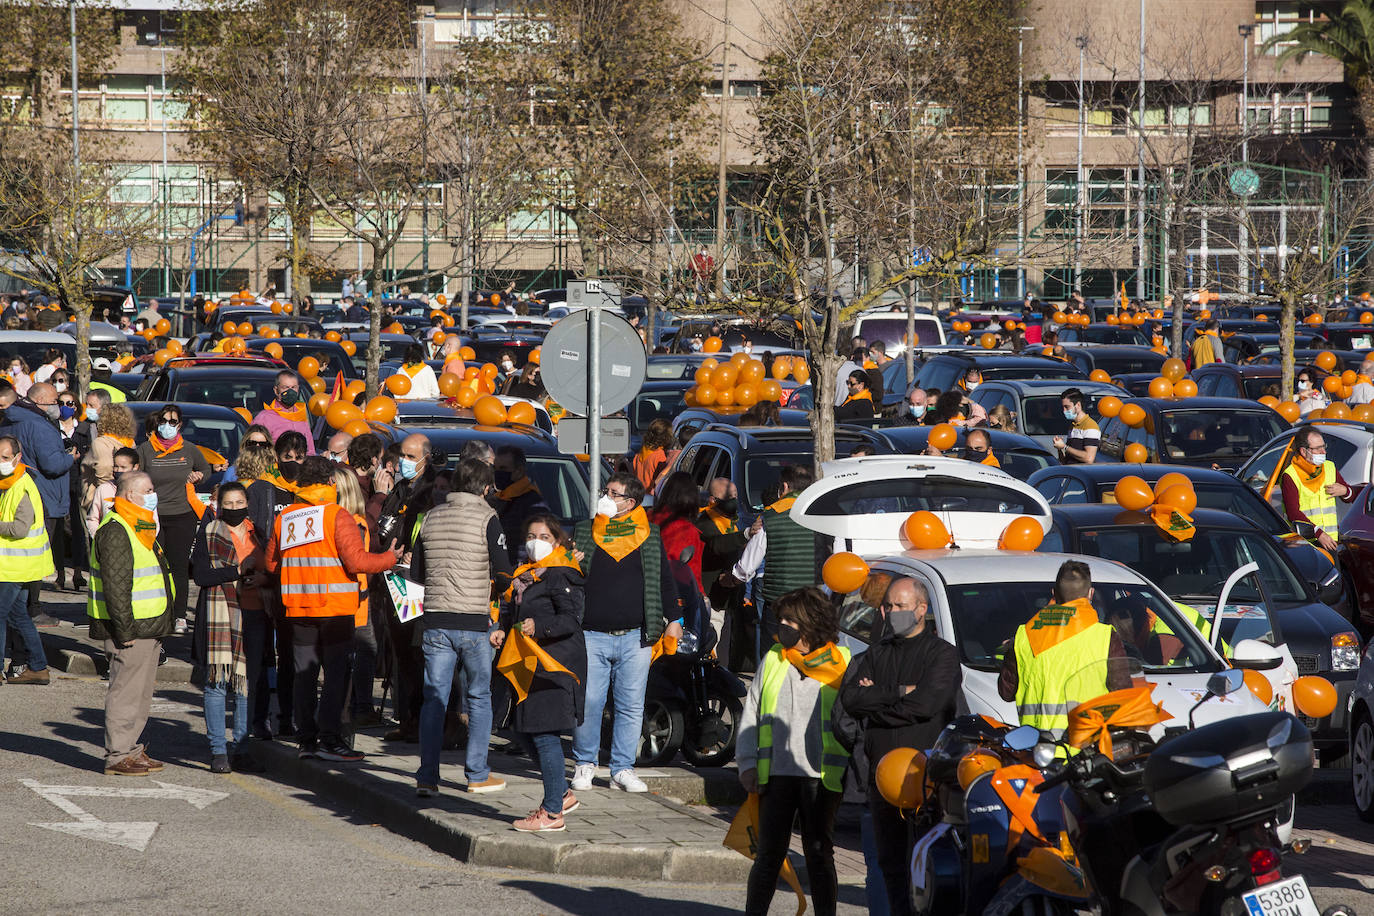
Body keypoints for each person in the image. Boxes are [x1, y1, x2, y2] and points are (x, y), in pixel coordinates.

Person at [839, 577, 960, 916]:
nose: (892, 612)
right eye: (888, 606)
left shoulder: (942, 655)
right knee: (890, 866)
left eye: (901, 606)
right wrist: (900, 691)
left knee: (926, 868)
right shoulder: (876, 653)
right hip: (881, 781)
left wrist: (877, 701)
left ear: (922, 610)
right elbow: (851, 700)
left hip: (926, 782)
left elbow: (927, 704)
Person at [265, 457, 396, 761]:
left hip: (298, 608)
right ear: (331, 483)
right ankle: (331, 739)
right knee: (336, 675)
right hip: (335, 610)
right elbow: (358, 563)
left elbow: (270, 563)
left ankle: (306, 741)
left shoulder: (286, 517)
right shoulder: (337, 516)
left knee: (303, 676)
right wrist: (390, 557)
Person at [738, 586, 851, 916]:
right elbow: (753, 711)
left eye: (790, 619)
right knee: (769, 856)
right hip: (777, 773)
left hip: (822, 776)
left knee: (819, 853)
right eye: (781, 619)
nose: (782, 625)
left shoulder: (842, 661)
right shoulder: (774, 657)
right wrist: (746, 763)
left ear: (811, 622)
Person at [569, 472, 680, 794]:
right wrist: (571, 561)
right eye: (606, 491)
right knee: (589, 701)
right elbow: (569, 576)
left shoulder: (649, 533)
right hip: (591, 633)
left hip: (636, 635)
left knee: (631, 705)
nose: (605, 497)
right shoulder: (585, 530)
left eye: (613, 493)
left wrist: (675, 617)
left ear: (630, 503)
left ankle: (621, 769)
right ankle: (585, 763)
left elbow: (664, 578)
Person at [411, 457, 514, 795]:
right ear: (486, 487)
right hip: (473, 622)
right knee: (479, 697)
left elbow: (415, 574)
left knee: (434, 699)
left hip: (436, 619)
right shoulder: (489, 518)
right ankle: (477, 773)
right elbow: (502, 573)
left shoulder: (430, 517)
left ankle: (427, 777)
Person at [497, 513, 587, 831]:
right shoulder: (527, 575)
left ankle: (551, 813)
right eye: (531, 536)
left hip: (555, 665)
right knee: (522, 730)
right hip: (529, 664)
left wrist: (540, 627)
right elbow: (516, 613)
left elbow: (571, 619)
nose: (536, 542)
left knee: (546, 734)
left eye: (545, 537)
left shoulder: (562, 574)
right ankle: (561, 795)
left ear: (558, 542)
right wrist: (502, 629)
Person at [89, 471, 174, 775]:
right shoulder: (116, 530)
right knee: (125, 691)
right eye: (147, 490)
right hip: (131, 629)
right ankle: (118, 755)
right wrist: (124, 630)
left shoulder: (141, 526)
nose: (153, 494)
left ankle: (131, 749)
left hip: (148, 625)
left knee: (140, 693)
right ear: (128, 496)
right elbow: (116, 585)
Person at [997, 560, 1131, 737]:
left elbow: (1006, 692)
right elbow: (1123, 694)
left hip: (1036, 749)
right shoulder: (1105, 637)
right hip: (1087, 751)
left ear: (1054, 594)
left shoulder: (1024, 635)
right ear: (1091, 594)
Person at [191, 483, 268, 775]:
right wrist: (237, 571)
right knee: (217, 685)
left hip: (255, 612)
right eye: (229, 503)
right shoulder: (209, 533)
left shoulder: (258, 533)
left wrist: (260, 578)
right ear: (219, 506)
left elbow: (271, 569)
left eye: (239, 502)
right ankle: (218, 751)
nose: (234, 508)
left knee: (246, 686)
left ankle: (243, 749)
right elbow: (200, 575)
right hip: (219, 616)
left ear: (247, 503)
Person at [722, 465, 826, 661]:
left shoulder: (770, 517)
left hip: (780, 603)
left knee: (774, 658)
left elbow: (747, 567)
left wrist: (729, 579)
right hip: (813, 601)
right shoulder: (822, 515)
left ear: (784, 487)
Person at [375, 433, 440, 742]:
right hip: (394, 579)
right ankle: (408, 720)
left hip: (420, 584)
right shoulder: (399, 489)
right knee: (402, 654)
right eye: (403, 455)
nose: (405, 462)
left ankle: (424, 722)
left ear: (426, 460)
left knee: (420, 655)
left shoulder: (433, 492)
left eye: (412, 457)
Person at [0, 379, 74, 631]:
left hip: (16, 491)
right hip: (43, 497)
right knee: (35, 557)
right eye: (55, 401)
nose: (58, 406)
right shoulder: (39, 425)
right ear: (41, 401)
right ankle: (31, 609)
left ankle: (21, 607)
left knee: (17, 554)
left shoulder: (12, 420)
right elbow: (52, 466)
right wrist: (70, 457)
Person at [136, 404, 210, 635]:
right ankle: (159, 611)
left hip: (182, 516)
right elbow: (136, 476)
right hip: (153, 516)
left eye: (172, 421)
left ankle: (179, 615)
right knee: (156, 567)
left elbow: (206, 470)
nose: (167, 426)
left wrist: (198, 476)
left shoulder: (189, 449)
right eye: (163, 421)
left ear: (179, 425)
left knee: (178, 567)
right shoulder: (146, 450)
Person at [0, 436, 54, 684]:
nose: (0, 461)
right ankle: (38, 667)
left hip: (16, 566)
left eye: (5, 457)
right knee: (17, 615)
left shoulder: (21, 486)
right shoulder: (10, 483)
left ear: (17, 458)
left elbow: (20, 528)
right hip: (17, 564)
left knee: (3, 613)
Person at [696, 477, 748, 669]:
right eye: (728, 497)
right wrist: (745, 536)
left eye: (735, 496)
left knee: (725, 646)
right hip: (711, 596)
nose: (733, 500)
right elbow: (716, 545)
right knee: (713, 648)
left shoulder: (730, 520)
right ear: (712, 501)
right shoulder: (703, 522)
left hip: (728, 597)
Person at [1280, 428, 1355, 553]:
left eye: (1324, 446)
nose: (1323, 451)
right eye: (1318, 448)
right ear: (1304, 451)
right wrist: (1318, 533)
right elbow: (1293, 513)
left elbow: (1350, 496)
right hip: (1305, 544)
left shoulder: (1329, 467)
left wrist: (1346, 491)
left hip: (1330, 542)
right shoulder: (1290, 475)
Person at [650, 471, 706, 593]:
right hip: (675, 594)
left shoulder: (648, 517)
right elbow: (691, 572)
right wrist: (701, 596)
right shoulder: (687, 530)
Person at [493, 445, 547, 563]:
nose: (497, 473)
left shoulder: (533, 503)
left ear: (519, 471)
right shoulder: (497, 498)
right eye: (495, 468)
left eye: (503, 468)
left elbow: (534, 542)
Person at [251, 370, 315, 453]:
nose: (290, 391)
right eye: (285, 387)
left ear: (298, 389)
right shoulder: (264, 418)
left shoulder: (301, 415)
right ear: (276, 390)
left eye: (293, 387)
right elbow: (254, 451)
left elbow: (310, 451)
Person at [86, 447, 139, 539]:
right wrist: (98, 538)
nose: (118, 470)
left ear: (135, 467)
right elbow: (92, 519)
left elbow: (152, 521)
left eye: (123, 467)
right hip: (108, 545)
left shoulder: (144, 490)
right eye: (116, 466)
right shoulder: (103, 489)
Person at [1053, 388, 1099, 465]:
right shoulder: (1073, 426)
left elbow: (1089, 458)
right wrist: (1059, 448)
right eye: (1063, 407)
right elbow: (1066, 459)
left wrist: (1064, 447)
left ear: (1077, 405)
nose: (1064, 411)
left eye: (1067, 407)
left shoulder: (1090, 426)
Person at [633, 418, 674, 492]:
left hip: (640, 496)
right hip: (651, 498)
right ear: (666, 437)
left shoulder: (639, 454)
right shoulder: (659, 456)